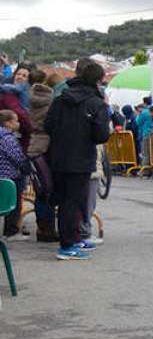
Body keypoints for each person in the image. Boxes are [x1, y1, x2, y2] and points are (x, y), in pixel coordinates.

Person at [44, 57, 110, 260]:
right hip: (81, 159)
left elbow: (48, 125)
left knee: (66, 200)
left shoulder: (61, 98)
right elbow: (101, 135)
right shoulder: (96, 103)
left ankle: (73, 239)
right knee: (73, 203)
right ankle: (67, 246)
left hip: (59, 156)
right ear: (97, 81)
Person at [26, 70, 57, 242]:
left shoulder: (30, 101)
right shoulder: (51, 102)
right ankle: (48, 230)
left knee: (40, 190)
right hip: (46, 146)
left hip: (33, 145)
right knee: (48, 190)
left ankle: (42, 228)